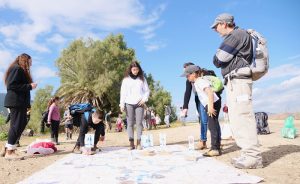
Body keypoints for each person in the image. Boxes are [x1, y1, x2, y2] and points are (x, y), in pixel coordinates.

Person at [211, 13, 262, 168]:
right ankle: (247, 154)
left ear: (224, 24)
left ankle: (253, 157)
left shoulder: (235, 35)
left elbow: (218, 60)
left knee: (243, 117)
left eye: (216, 26)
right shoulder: (236, 35)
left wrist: (219, 56)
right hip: (234, 81)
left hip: (239, 81)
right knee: (237, 118)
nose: (215, 30)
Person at [1, 53, 37, 160]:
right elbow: (11, 85)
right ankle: (10, 152)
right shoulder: (17, 69)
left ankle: (8, 147)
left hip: (20, 102)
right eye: (30, 62)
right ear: (25, 60)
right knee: (16, 125)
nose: (31, 64)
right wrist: (29, 86)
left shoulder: (18, 69)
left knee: (20, 125)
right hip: (16, 101)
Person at [182, 65, 222, 157]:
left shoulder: (200, 81)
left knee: (212, 126)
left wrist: (210, 107)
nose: (187, 79)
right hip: (212, 103)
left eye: (188, 76)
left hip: (212, 103)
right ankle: (216, 147)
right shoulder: (197, 82)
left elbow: (210, 92)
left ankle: (215, 149)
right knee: (214, 125)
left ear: (194, 74)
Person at [120, 61, 150, 150]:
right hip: (129, 103)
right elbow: (123, 93)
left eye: (137, 69)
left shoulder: (142, 79)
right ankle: (131, 143)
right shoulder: (126, 80)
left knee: (139, 123)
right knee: (130, 124)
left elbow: (147, 91)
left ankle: (139, 143)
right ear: (130, 70)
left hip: (139, 104)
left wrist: (144, 99)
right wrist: (122, 104)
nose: (135, 71)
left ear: (139, 70)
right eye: (134, 69)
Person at [182, 62, 208, 150]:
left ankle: (217, 140)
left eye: (186, 72)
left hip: (208, 95)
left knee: (211, 118)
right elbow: (187, 93)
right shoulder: (188, 81)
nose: (186, 75)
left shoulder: (203, 73)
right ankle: (203, 141)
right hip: (198, 97)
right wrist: (185, 107)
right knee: (203, 119)